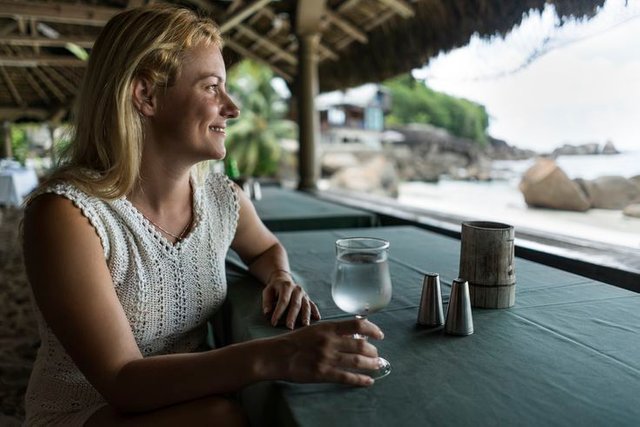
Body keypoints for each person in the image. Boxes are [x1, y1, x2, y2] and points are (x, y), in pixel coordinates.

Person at [21, 4, 384, 426]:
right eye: (212, 87)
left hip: (183, 400)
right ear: (147, 95)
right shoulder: (67, 215)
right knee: (223, 419)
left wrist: (280, 276)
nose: (232, 108)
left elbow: (265, 247)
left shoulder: (219, 198)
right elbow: (122, 380)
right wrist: (281, 354)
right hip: (88, 412)